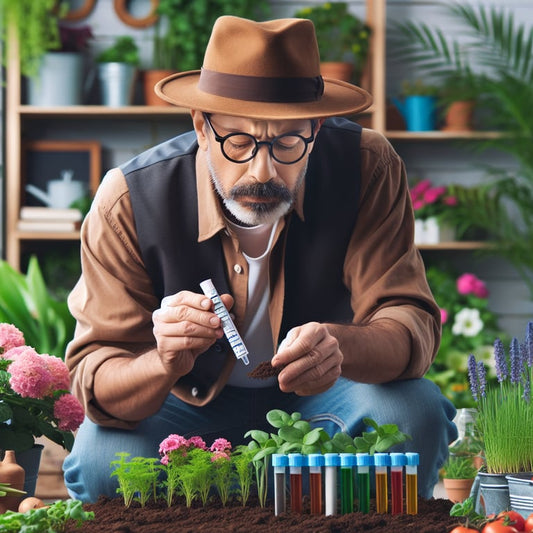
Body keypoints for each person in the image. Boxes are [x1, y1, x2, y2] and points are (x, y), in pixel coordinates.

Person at [63, 15, 457, 503]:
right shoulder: (129, 199)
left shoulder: (366, 166)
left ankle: (232, 494)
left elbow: (411, 322)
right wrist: (164, 362)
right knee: (102, 463)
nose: (262, 171)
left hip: (327, 400)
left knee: (413, 414)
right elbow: (97, 381)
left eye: (288, 141)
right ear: (201, 127)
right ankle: (289, 493)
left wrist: (341, 345)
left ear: (316, 127)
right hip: (183, 408)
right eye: (239, 141)